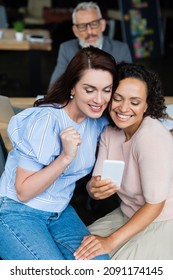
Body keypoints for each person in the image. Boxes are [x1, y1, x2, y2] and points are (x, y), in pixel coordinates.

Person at [0, 46, 118, 260]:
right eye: (89, 90)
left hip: (60, 212)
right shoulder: (45, 121)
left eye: (107, 90)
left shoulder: (97, 120)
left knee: (100, 265)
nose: (100, 100)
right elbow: (23, 191)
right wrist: (65, 158)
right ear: (72, 87)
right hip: (17, 211)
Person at [74, 62, 173, 260]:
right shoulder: (110, 132)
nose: (124, 108)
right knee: (75, 252)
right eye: (117, 99)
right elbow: (98, 185)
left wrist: (110, 241)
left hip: (162, 221)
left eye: (135, 102)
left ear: (147, 105)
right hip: (126, 213)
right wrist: (93, 189)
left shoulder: (150, 137)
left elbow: (155, 206)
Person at [49, 1, 132, 87]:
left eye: (94, 24)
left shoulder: (121, 50)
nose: (89, 32)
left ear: (102, 25)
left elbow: (128, 87)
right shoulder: (67, 49)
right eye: (82, 26)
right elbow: (54, 87)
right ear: (75, 31)